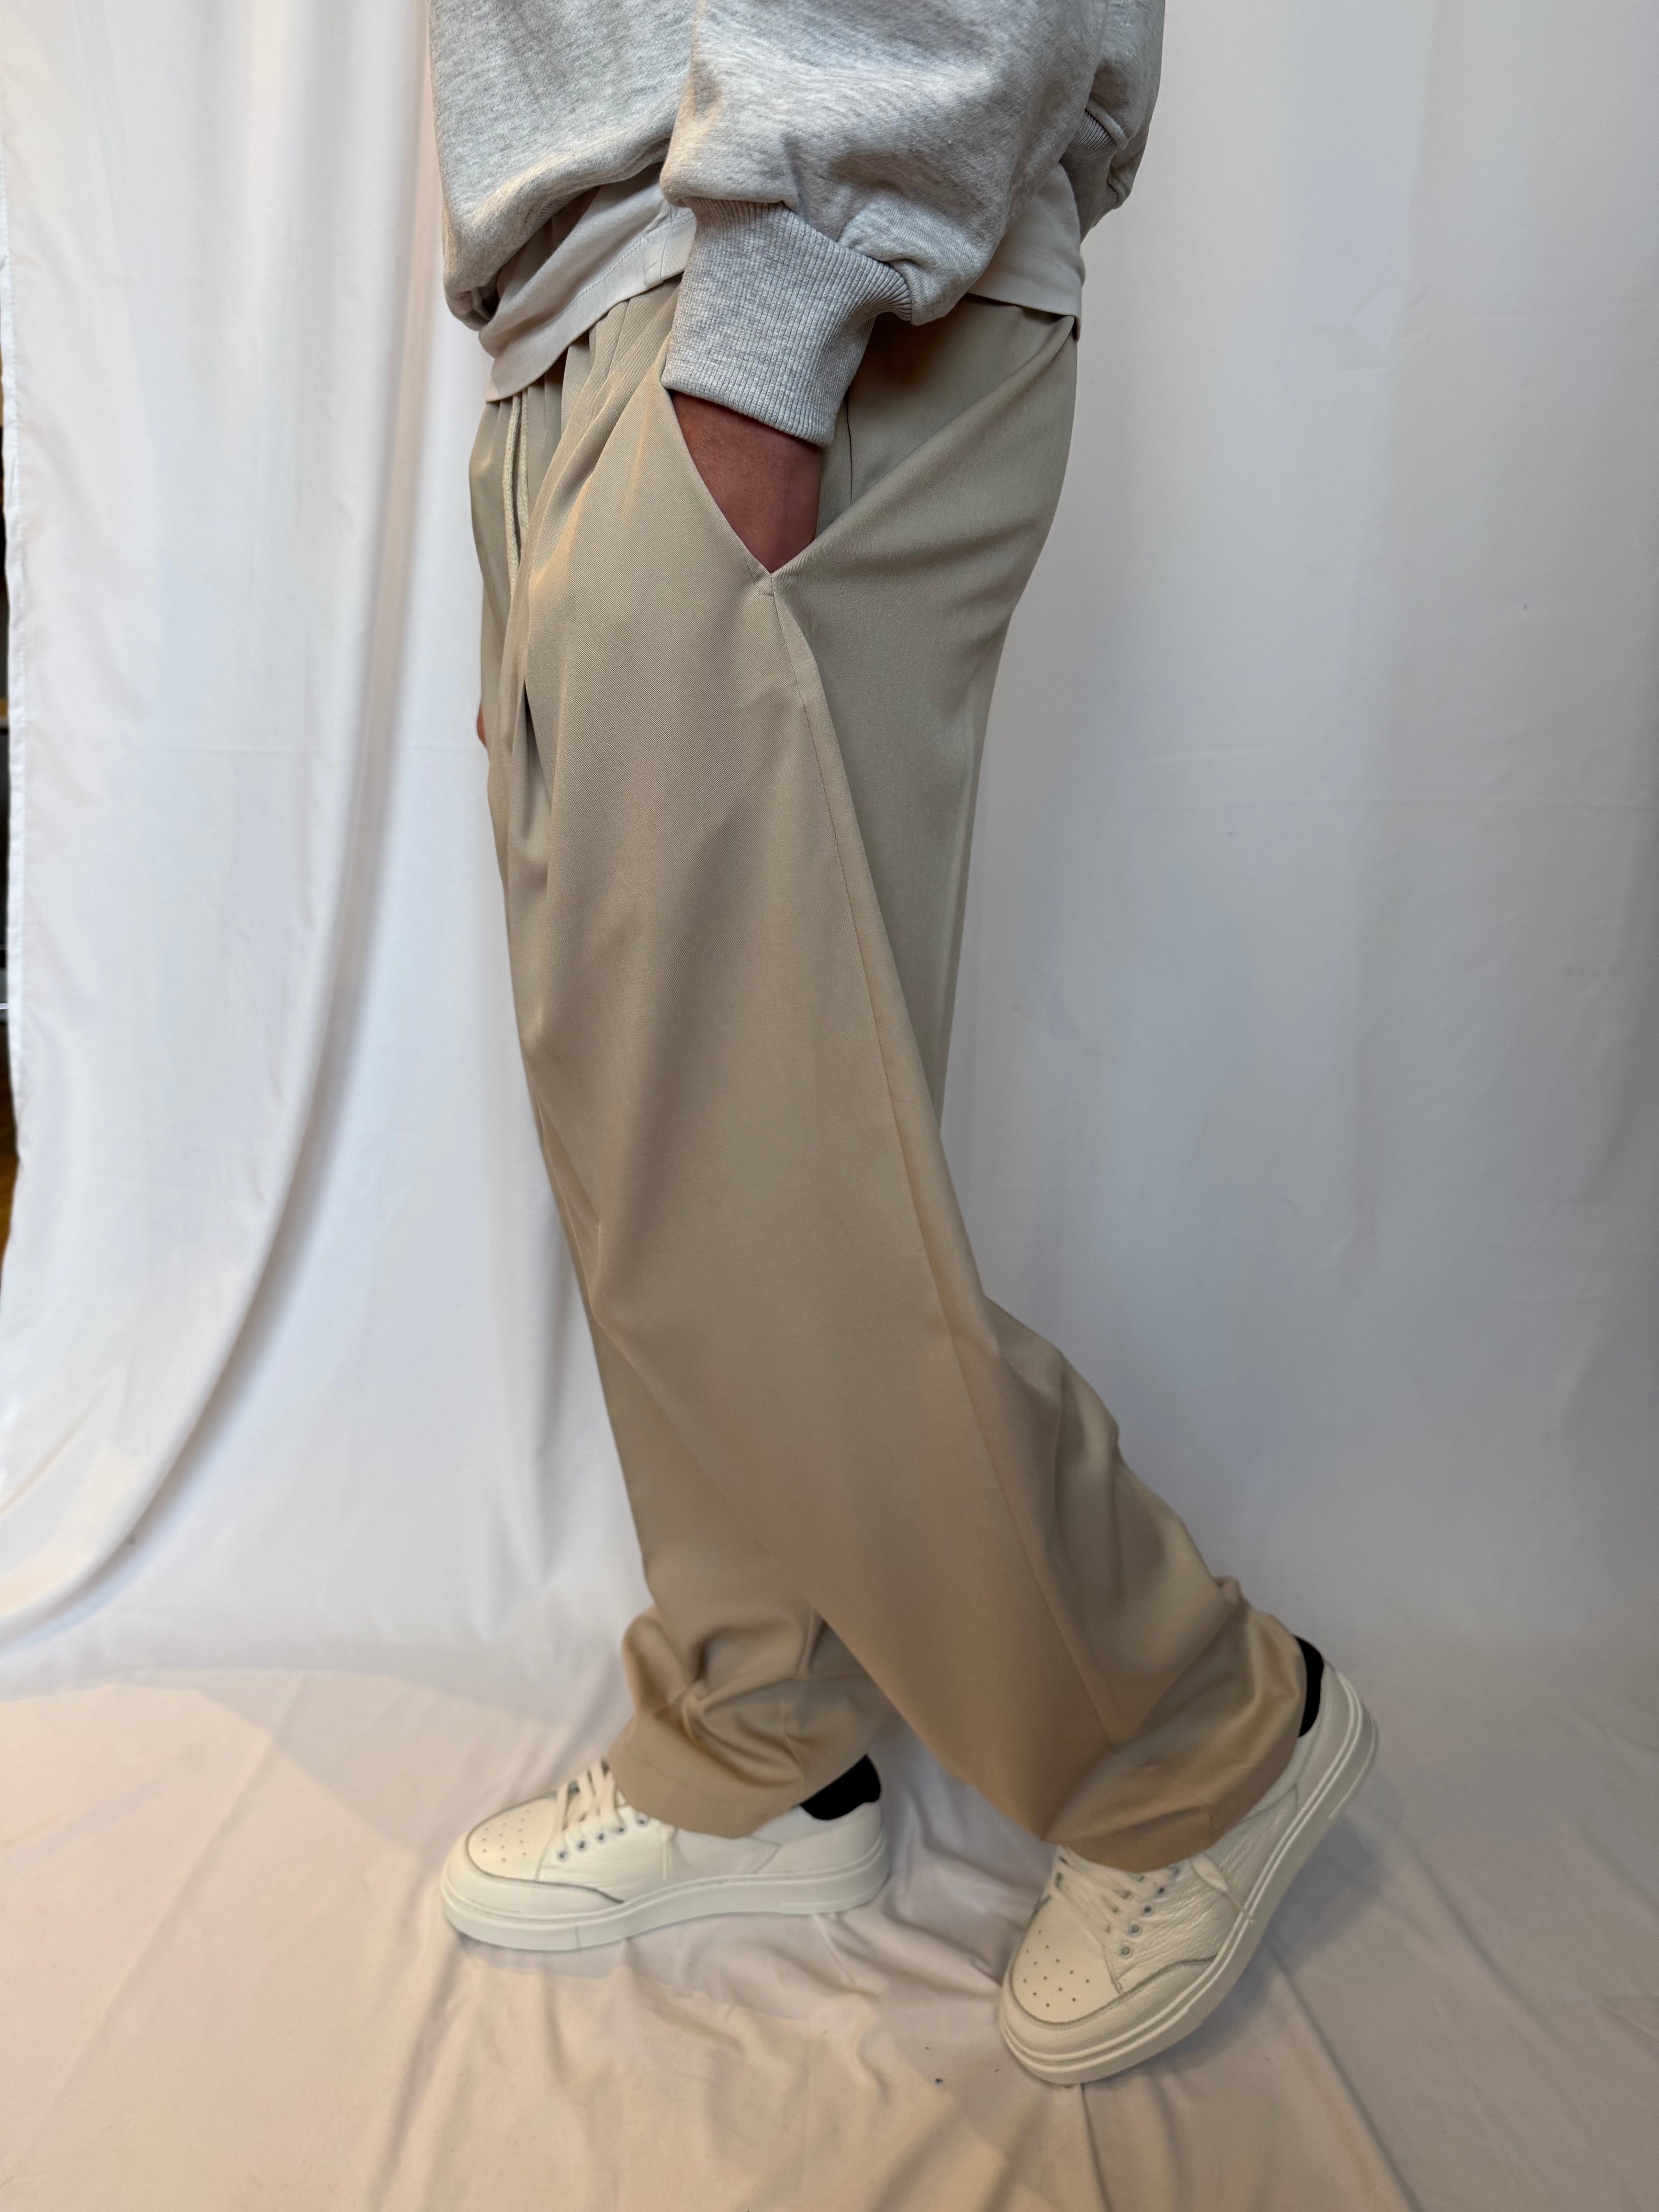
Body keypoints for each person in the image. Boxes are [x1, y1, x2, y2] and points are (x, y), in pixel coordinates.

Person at [429, 0, 1375, 2085]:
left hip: (780, 286)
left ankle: (1197, 1732)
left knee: (756, 1174)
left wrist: (769, 326)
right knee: (654, 1130)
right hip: (599, 303)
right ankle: (762, 1729)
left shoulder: (771, 309)